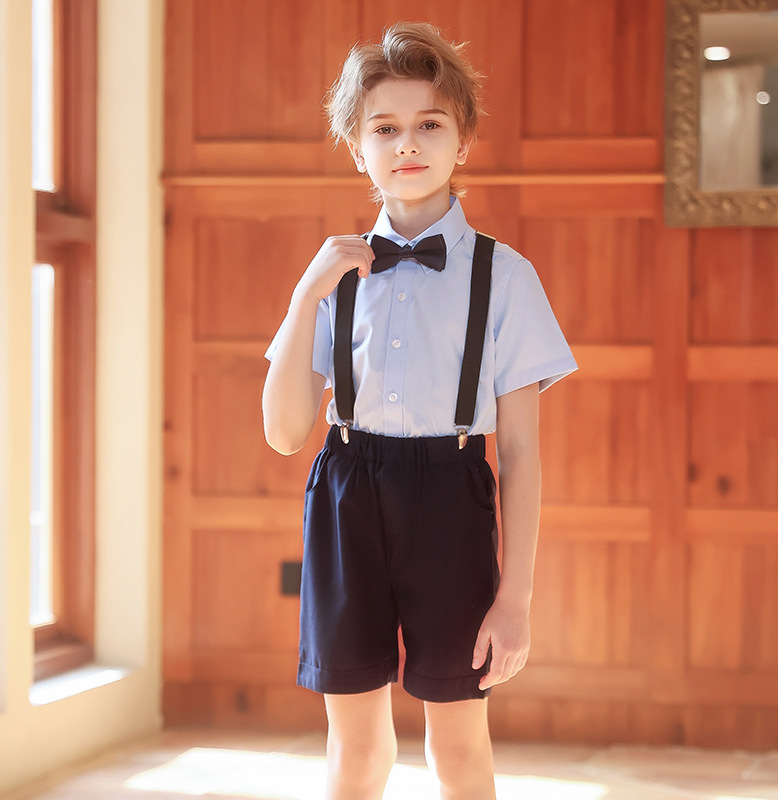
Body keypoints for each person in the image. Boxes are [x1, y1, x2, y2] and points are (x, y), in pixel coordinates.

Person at [262, 21, 577, 800]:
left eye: (430, 124)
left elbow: (525, 455)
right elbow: (282, 434)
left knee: (459, 743)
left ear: (462, 141)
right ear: (356, 147)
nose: (408, 143)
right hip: (346, 493)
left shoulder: (506, 277)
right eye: (386, 128)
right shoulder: (332, 276)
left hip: (452, 497)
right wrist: (306, 295)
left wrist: (517, 599)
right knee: (356, 746)